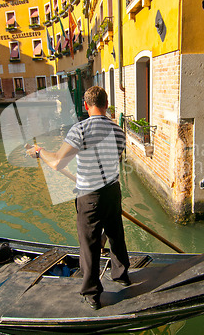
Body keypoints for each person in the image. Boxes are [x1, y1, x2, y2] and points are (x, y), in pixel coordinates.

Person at [26, 86, 130, 310]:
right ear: (106, 104)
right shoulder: (119, 131)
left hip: (89, 197)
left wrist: (40, 150)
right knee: (115, 235)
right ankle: (121, 275)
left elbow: (56, 163)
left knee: (89, 244)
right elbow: (111, 161)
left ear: (86, 105)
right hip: (113, 191)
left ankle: (92, 295)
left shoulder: (79, 130)